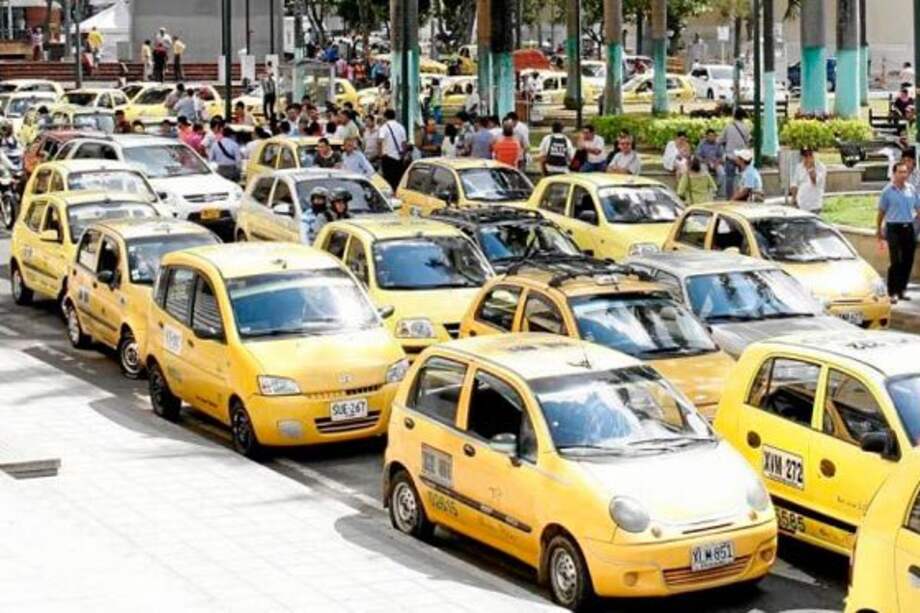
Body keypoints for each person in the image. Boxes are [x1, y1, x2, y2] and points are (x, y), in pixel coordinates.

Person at [877, 161, 920, 303]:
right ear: (894, 173)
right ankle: (892, 291)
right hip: (893, 228)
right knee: (896, 261)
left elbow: (918, 208)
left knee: (908, 261)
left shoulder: (911, 189)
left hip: (908, 228)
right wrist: (878, 230)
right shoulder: (887, 191)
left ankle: (901, 290)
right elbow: (881, 213)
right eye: (900, 172)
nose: (903, 175)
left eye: (905, 172)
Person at [720, 107, 751, 198]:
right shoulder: (746, 127)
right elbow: (748, 140)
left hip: (730, 156)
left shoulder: (728, 127)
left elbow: (721, 139)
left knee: (729, 178)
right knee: (743, 178)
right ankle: (741, 196)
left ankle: (729, 198)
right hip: (742, 157)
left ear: (734, 115)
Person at [790, 148, 827, 212]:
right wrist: (794, 198)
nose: (808, 157)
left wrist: (810, 168)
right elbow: (794, 183)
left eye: (810, 154)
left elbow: (815, 181)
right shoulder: (799, 167)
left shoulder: (821, 167)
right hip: (801, 204)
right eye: (805, 155)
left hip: (814, 205)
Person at [379, 109, 408, 190]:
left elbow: (380, 141)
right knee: (398, 181)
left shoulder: (384, 128)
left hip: (387, 158)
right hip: (399, 159)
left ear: (385, 117)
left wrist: (380, 154)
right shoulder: (401, 127)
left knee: (388, 181)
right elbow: (404, 143)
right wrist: (403, 155)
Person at [695, 128, 725, 193]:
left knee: (722, 173)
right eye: (710, 136)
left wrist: (717, 162)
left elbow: (722, 156)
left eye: (713, 136)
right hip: (704, 162)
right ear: (706, 136)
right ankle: (706, 189)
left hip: (716, 163)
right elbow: (697, 155)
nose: (712, 137)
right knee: (703, 170)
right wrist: (704, 160)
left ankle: (715, 188)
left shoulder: (718, 144)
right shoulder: (702, 143)